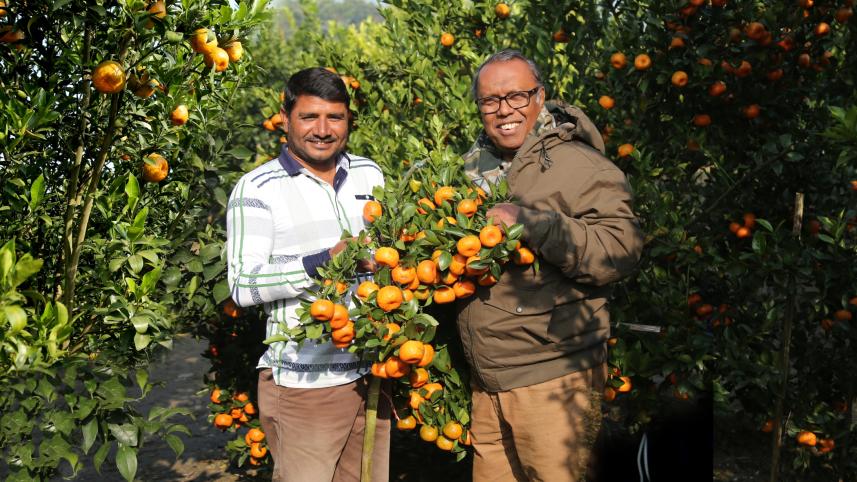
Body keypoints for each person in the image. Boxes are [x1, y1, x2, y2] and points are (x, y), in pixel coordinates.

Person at [457, 49, 644, 481]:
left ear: (540, 96)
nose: (504, 109)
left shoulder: (581, 165)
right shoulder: (469, 169)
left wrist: (534, 224)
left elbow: (620, 250)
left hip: (554, 375)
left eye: (516, 96)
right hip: (488, 379)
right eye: (490, 100)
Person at [226, 67, 388, 482]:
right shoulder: (257, 188)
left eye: (335, 117)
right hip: (305, 386)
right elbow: (243, 285)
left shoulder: (369, 174)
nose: (323, 130)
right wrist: (321, 262)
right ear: (285, 118)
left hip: (374, 375)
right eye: (309, 116)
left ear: (349, 120)